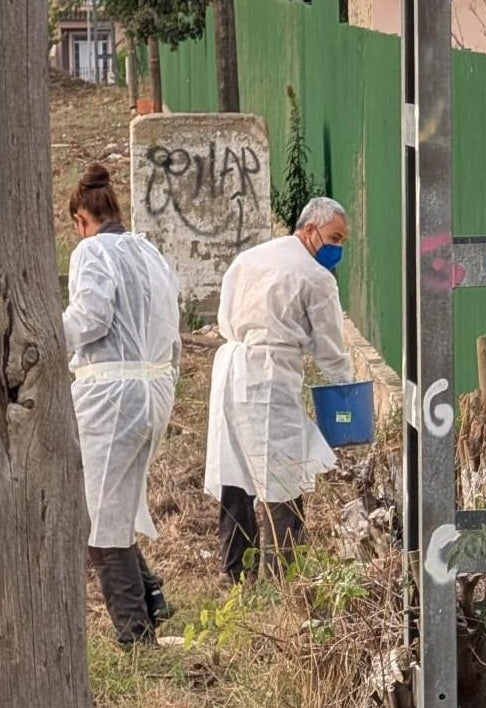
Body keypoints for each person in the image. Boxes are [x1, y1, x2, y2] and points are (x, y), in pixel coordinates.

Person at [205, 196, 354, 583]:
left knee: (235, 469)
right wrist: (348, 394)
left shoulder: (250, 258)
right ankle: (283, 575)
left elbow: (224, 313)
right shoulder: (316, 278)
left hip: (232, 368)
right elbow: (330, 348)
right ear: (309, 230)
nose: (338, 248)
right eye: (334, 237)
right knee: (282, 471)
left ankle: (235, 569)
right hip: (270, 376)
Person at [63, 163, 180, 646]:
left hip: (110, 396)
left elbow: (90, 316)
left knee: (100, 518)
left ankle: (135, 634)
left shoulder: (91, 252)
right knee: (120, 505)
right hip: (153, 391)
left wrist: (44, 338)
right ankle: (152, 602)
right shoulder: (148, 251)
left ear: (80, 220)